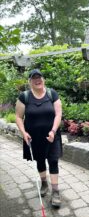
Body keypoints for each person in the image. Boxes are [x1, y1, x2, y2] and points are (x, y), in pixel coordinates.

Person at [15, 69, 62, 207]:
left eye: (39, 77)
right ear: (30, 82)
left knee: (53, 161)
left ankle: (55, 192)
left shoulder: (51, 94)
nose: (37, 80)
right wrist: (23, 132)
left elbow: (58, 114)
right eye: (34, 78)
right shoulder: (24, 97)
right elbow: (18, 117)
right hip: (34, 137)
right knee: (40, 160)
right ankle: (44, 184)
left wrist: (53, 131)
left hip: (51, 135)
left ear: (43, 79)